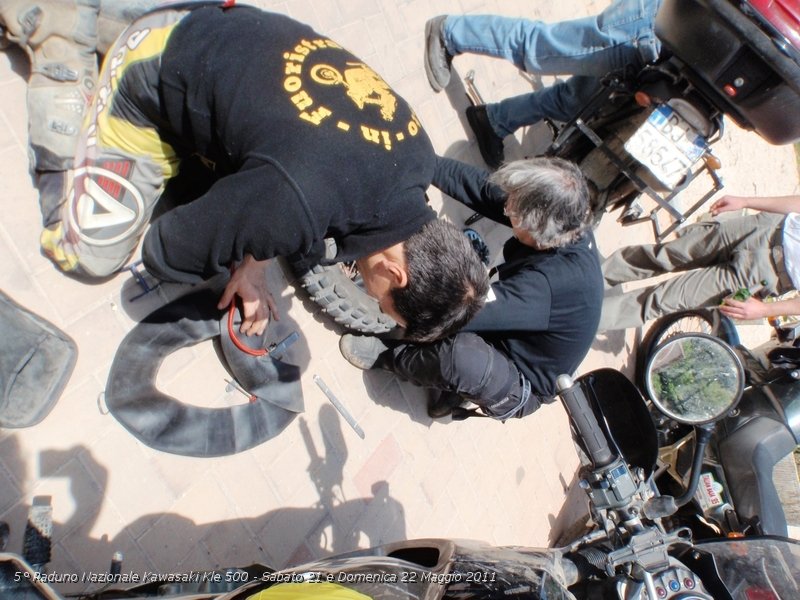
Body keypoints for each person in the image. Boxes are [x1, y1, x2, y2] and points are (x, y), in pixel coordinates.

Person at [3, 1, 489, 342]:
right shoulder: (298, 202)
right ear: (393, 273)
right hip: (152, 73)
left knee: (235, 183)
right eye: (384, 304)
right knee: (89, 256)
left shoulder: (419, 156)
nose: (374, 300)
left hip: (226, 26)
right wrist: (240, 240)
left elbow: (300, 182)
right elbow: (164, 250)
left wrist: (253, 263)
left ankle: (127, 14)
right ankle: (60, 45)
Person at [340, 156, 603, 420]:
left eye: (513, 208)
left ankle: (391, 357)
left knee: (460, 353)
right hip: (521, 323)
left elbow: (464, 313)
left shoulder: (549, 286)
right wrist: (417, 163)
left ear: (537, 230)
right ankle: (456, 379)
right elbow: (483, 189)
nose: (506, 206)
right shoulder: (562, 215)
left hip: (522, 381)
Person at [423, 0, 662, 169]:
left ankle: (493, 120)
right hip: (648, 33)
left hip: (661, 69)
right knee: (539, 49)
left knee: (573, 103)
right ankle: (448, 33)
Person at [600, 194, 800, 330]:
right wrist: (745, 201)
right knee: (664, 254)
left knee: (662, 300)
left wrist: (766, 310)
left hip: (768, 275)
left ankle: (575, 321)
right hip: (767, 227)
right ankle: (583, 280)